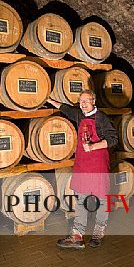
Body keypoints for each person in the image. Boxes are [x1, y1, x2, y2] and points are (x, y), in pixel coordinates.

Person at [47, 89, 118, 249]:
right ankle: (77, 235)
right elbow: (64, 108)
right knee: (81, 200)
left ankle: (98, 232)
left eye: (86, 101)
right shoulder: (79, 115)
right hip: (82, 164)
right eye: (81, 101)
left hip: (98, 164)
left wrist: (93, 146)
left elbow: (113, 139)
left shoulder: (101, 118)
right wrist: (50, 100)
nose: (83, 104)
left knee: (102, 199)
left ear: (94, 101)